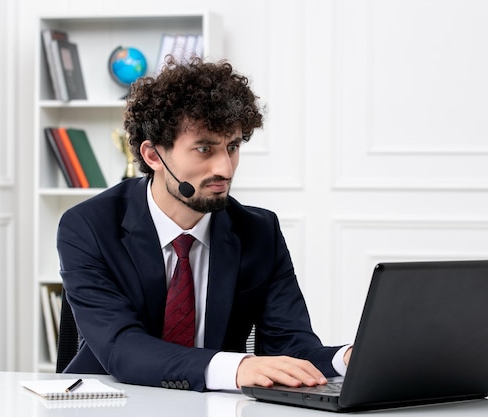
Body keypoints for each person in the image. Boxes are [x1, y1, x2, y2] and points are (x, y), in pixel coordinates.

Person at [57, 57, 351, 392]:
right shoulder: (89, 227)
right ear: (153, 155)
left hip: (213, 406)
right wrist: (236, 367)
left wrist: (346, 359)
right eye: (204, 149)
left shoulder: (258, 231)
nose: (225, 168)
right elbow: (122, 348)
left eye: (232, 147)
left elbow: (291, 347)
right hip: (111, 401)